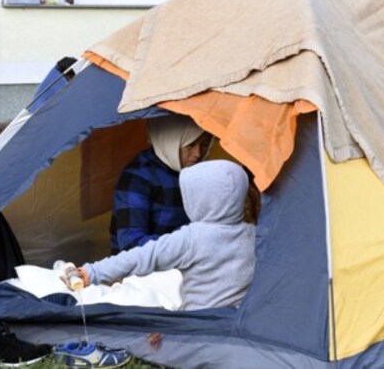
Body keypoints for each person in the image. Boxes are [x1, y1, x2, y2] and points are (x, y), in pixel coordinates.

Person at [65, 160, 257, 311]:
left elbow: (141, 257)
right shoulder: (254, 234)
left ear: (201, 199)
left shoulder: (192, 238)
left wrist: (93, 272)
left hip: (198, 325)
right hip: (237, 321)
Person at [110, 114, 213, 254]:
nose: (198, 153)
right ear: (170, 141)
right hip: (142, 270)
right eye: (190, 144)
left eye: (205, 144)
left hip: (183, 261)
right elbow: (132, 245)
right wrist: (189, 241)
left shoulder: (199, 172)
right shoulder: (137, 178)